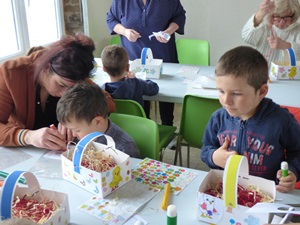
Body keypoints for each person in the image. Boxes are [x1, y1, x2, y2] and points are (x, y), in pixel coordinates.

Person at [200, 46, 300, 193]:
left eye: (236, 93)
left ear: (261, 92)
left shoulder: (282, 121)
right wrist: (214, 157)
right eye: (221, 91)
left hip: (267, 194)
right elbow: (206, 149)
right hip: (227, 190)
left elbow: (297, 152)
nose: (226, 101)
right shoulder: (218, 118)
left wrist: (293, 172)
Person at [0, 34, 115, 151]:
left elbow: (109, 103)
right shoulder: (10, 73)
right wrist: (27, 136)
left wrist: (74, 119)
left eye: (71, 89)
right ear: (46, 68)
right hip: (25, 153)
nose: (65, 93)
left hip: (60, 153)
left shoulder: (73, 72)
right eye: (61, 85)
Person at [106, 0, 186, 126]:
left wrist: (168, 31)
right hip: (133, 59)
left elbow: (180, 16)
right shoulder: (121, 1)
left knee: (166, 96)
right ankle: (145, 128)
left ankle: (167, 127)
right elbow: (111, 19)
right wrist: (125, 32)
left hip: (164, 58)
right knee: (140, 96)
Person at [56, 82, 140, 158]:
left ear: (98, 122)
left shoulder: (124, 148)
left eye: (76, 130)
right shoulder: (77, 131)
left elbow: (130, 173)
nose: (73, 134)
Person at [101, 45, 159, 112]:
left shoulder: (101, 91)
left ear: (104, 69)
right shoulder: (135, 83)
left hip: (115, 122)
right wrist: (135, 78)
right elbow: (154, 88)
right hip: (139, 122)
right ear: (127, 67)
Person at [242, 0, 300, 65]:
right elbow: (247, 38)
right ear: (271, 15)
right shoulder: (264, 26)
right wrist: (260, 14)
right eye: (277, 17)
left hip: (287, 74)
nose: (281, 23)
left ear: (294, 15)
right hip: (260, 72)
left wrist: (287, 46)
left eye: (286, 18)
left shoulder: (298, 30)